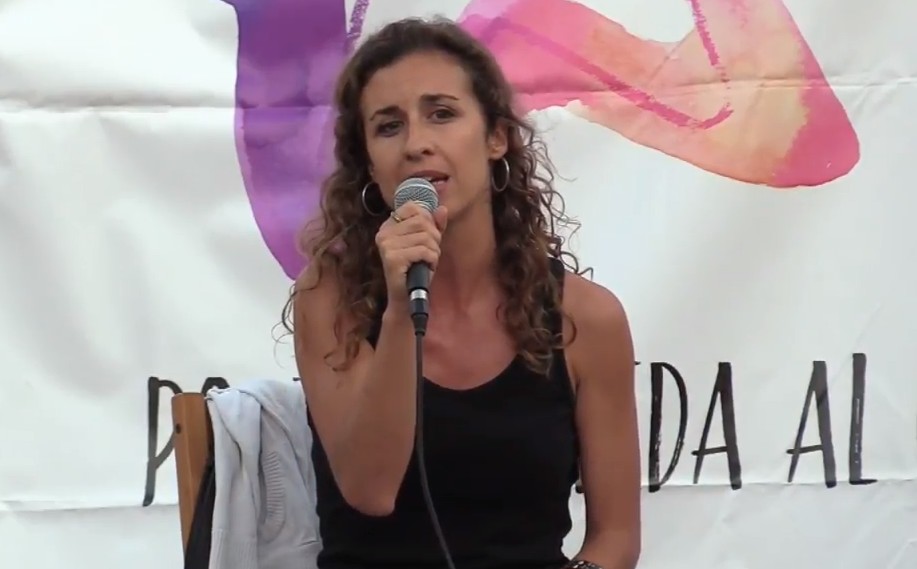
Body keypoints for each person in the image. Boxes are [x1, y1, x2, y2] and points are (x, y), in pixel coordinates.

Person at [283, 15, 641, 569]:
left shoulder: (586, 319)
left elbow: (615, 538)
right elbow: (370, 489)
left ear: (496, 137)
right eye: (388, 127)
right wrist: (400, 310)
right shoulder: (332, 301)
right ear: (369, 164)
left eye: (442, 114)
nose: (417, 144)